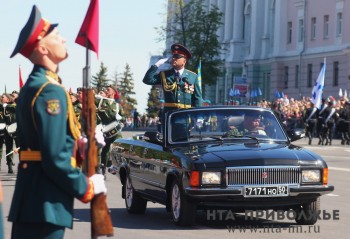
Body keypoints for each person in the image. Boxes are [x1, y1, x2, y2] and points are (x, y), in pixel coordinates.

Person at [8, 5, 106, 238]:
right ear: (42, 48)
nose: (63, 38)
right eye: (55, 35)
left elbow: (44, 144)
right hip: (44, 201)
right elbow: (53, 157)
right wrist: (86, 186)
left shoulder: (37, 86)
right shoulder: (49, 91)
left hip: (35, 198)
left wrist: (80, 146)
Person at [143, 43, 202, 116]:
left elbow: (197, 98)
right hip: (169, 116)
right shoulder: (164, 75)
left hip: (186, 116)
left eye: (177, 57)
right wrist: (156, 65)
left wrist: (199, 115)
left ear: (184, 61)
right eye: (173, 56)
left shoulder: (192, 76)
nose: (174, 59)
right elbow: (147, 80)